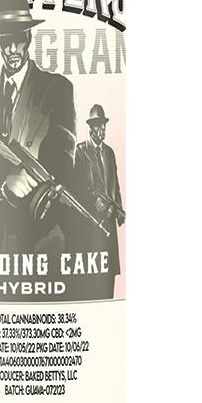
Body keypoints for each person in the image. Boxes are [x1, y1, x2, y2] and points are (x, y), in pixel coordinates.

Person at [0, 0, 75, 256]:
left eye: (18, 39)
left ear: (29, 36)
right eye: (5, 40)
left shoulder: (57, 88)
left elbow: (63, 156)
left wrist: (31, 182)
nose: (12, 49)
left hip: (40, 234)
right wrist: (2, 187)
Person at [74, 104, 124, 298]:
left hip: (110, 221)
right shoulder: (81, 151)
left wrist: (119, 209)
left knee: (108, 272)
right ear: (91, 127)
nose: (103, 129)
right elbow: (77, 187)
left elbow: (115, 185)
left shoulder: (109, 153)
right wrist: (93, 199)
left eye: (104, 125)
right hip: (92, 223)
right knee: (93, 272)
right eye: (99, 126)